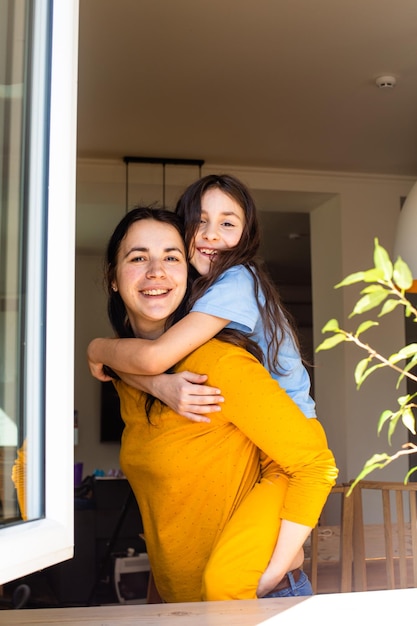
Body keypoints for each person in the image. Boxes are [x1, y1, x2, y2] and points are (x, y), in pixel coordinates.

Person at [100, 206, 337, 602]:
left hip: (250, 599)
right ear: (113, 277)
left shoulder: (219, 363)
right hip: (182, 605)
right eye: (138, 257)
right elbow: (169, 513)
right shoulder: (127, 378)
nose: (156, 270)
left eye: (172, 257)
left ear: (188, 274)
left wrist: (265, 579)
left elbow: (315, 465)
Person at [88, 173, 316, 423]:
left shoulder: (237, 282)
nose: (211, 235)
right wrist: (158, 384)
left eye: (227, 224)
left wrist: (97, 349)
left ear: (247, 235)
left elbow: (153, 358)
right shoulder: (200, 287)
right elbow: (141, 363)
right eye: (200, 221)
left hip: (290, 426)